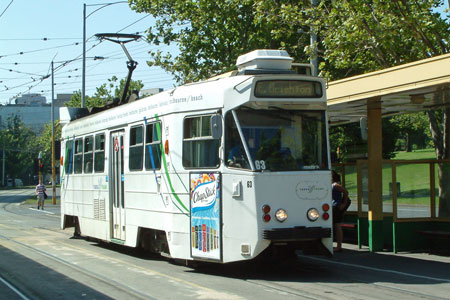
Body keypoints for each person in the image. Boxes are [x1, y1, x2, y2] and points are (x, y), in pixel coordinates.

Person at [331, 170, 349, 252]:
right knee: (335, 225)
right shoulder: (331, 185)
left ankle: (339, 246)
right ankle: (337, 245)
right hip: (333, 206)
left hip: (336, 207)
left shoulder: (335, 185)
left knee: (337, 225)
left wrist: (344, 204)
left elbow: (345, 191)